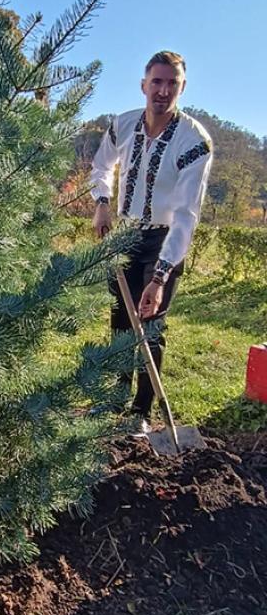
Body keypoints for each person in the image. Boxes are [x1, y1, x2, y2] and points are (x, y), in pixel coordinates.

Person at [90, 50, 213, 430]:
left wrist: (159, 277)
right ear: (144, 84)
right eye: (156, 82)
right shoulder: (123, 125)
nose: (162, 90)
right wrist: (102, 203)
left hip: (163, 240)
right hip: (125, 234)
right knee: (120, 321)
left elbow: (186, 216)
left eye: (171, 83)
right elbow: (101, 165)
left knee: (151, 323)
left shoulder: (195, 143)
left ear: (182, 88)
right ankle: (114, 397)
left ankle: (141, 412)